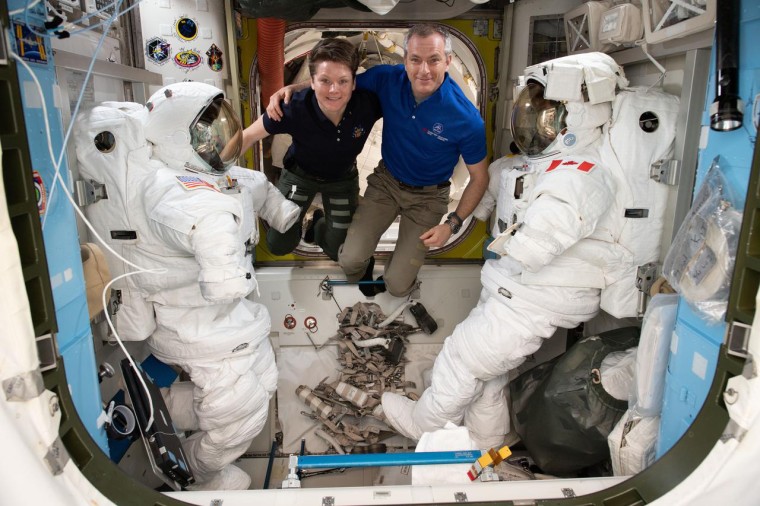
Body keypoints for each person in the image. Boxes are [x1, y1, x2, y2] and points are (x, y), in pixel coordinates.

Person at [379, 52, 680, 449]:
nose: (533, 121)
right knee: (488, 376)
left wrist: (516, 240)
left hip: (537, 297)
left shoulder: (582, 176)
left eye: (546, 113)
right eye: (531, 109)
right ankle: (484, 440)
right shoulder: (535, 166)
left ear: (577, 118)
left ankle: (424, 424)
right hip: (513, 289)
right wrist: (457, 220)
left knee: (463, 357)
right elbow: (491, 189)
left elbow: (537, 245)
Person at [73, 82, 300, 490]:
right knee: (237, 416)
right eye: (211, 134)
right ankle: (199, 476)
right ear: (181, 139)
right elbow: (206, 224)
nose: (224, 141)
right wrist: (226, 277)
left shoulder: (216, 178)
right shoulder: (169, 189)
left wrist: (288, 215)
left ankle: (162, 408)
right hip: (194, 322)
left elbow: (255, 186)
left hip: (230, 318)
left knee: (263, 383)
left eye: (224, 128)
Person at [268, 24, 488, 298]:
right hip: (386, 183)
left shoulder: (465, 118)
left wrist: (452, 224)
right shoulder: (387, 79)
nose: (424, 70)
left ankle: (396, 278)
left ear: (448, 61)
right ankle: (330, 236)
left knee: (397, 286)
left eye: (434, 60)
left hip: (429, 199)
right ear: (405, 60)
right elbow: (339, 82)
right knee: (350, 260)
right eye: (415, 60)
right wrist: (292, 88)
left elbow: (480, 178)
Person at [242, 37, 382, 261]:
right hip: (300, 175)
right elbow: (247, 136)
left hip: (341, 180)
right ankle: (299, 222)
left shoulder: (368, 104)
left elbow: (410, 91)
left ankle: (316, 224)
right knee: (278, 244)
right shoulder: (292, 106)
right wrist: (211, 173)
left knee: (339, 250)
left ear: (354, 82)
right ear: (313, 81)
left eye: (343, 81)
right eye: (324, 80)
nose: (334, 90)